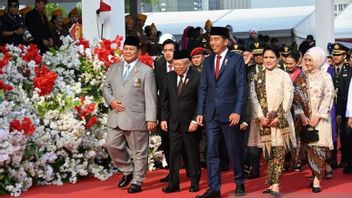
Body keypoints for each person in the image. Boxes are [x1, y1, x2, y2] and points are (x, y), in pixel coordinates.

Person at [196, 26, 247, 198]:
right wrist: (200, 111)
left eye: (217, 39)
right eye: (211, 40)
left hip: (230, 113)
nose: (213, 43)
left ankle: (239, 182)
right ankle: (214, 188)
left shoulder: (236, 59)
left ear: (226, 41)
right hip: (211, 114)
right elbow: (203, 87)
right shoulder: (208, 60)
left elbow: (241, 87)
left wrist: (238, 111)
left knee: (233, 150)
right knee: (211, 151)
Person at [102, 36, 157, 193]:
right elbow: (106, 87)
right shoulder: (114, 68)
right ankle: (127, 170)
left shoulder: (146, 71)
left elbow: (151, 97)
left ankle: (137, 181)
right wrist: (111, 101)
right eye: (126, 49)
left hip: (136, 117)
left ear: (138, 51)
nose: (128, 52)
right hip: (116, 115)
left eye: (131, 49)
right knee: (111, 144)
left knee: (139, 151)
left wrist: (151, 118)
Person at [250, 46, 296, 197]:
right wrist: (260, 116)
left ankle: (275, 185)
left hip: (280, 119)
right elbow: (253, 98)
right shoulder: (257, 77)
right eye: (266, 57)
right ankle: (271, 183)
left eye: (271, 57)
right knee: (269, 153)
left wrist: (279, 117)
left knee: (279, 151)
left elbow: (288, 97)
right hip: (263, 121)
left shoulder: (284, 76)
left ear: (278, 58)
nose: (268, 60)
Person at [160, 50, 201, 193]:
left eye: (180, 65)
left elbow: (201, 101)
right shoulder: (169, 77)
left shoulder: (197, 77)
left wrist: (196, 120)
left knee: (192, 153)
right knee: (173, 153)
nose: (177, 67)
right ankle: (173, 183)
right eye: (174, 64)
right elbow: (164, 100)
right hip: (173, 123)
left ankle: (195, 181)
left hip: (190, 123)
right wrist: (163, 118)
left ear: (188, 63)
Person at [300, 48, 334, 192]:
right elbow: (296, 100)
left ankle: (317, 180)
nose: (307, 63)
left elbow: (328, 97)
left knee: (319, 149)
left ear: (318, 61)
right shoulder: (301, 78)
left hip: (321, 119)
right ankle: (316, 173)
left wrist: (318, 116)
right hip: (305, 119)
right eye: (306, 59)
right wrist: (301, 115)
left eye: (310, 60)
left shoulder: (326, 77)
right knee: (309, 150)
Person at [154, 39, 176, 182]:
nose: (168, 53)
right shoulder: (159, 64)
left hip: (183, 109)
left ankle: (191, 171)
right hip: (165, 111)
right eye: (165, 50)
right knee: (167, 143)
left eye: (171, 50)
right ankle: (172, 172)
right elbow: (157, 89)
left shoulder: (183, 63)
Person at [285, 49, 304, 172]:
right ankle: (287, 160)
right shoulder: (284, 74)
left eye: (291, 63)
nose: (288, 66)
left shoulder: (303, 75)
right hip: (286, 109)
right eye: (287, 63)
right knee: (287, 135)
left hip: (299, 110)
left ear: (298, 62)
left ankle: (297, 161)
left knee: (297, 135)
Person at [333, 43, 351, 169]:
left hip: (345, 108)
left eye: (338, 55)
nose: (335, 57)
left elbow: (346, 94)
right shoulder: (329, 69)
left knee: (345, 135)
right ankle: (332, 160)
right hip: (331, 108)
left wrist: (341, 112)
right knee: (332, 135)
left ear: (344, 56)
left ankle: (345, 159)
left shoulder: (349, 70)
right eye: (334, 54)